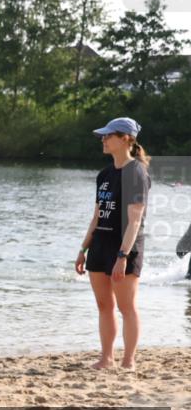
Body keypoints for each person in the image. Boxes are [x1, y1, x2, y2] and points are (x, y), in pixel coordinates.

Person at [74, 117, 151, 370]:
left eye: (109, 136)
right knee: (104, 305)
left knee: (126, 306)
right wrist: (83, 249)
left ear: (126, 139)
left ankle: (128, 361)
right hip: (100, 246)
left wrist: (122, 256)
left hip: (124, 249)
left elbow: (135, 220)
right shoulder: (104, 175)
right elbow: (97, 215)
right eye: (103, 136)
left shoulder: (136, 173)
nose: (103, 140)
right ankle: (106, 359)